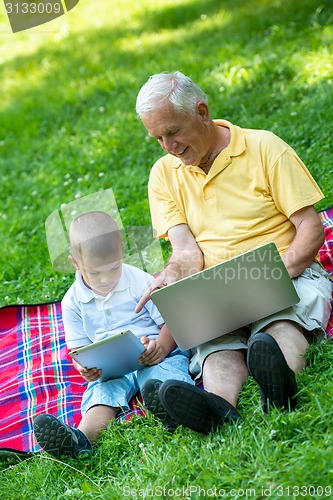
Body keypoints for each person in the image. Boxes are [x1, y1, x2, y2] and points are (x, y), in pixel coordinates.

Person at [134, 71, 333, 434]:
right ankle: (218, 408)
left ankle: (279, 388)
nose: (168, 146)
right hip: (217, 288)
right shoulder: (163, 174)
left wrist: (276, 272)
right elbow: (185, 252)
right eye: (158, 138)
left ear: (202, 111)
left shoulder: (264, 147)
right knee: (215, 345)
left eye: (174, 131)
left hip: (283, 269)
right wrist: (173, 275)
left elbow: (311, 227)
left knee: (279, 325)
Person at [33, 211, 195, 458]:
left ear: (121, 250)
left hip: (153, 353)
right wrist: (86, 368)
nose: (106, 278)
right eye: (96, 273)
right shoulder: (72, 303)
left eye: (114, 268)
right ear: (76, 264)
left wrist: (161, 347)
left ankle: (172, 409)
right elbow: (78, 350)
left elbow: (171, 320)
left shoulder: (138, 281)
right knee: (102, 394)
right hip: (110, 370)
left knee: (162, 376)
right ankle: (79, 439)